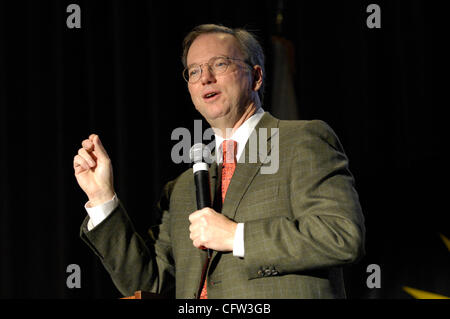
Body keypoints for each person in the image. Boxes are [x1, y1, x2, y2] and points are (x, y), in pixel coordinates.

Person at [73, 24, 365, 299]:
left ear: (256, 76)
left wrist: (237, 236)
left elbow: (340, 235)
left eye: (220, 64)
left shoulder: (301, 140)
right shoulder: (182, 188)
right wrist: (102, 198)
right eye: (194, 70)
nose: (205, 77)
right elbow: (149, 284)